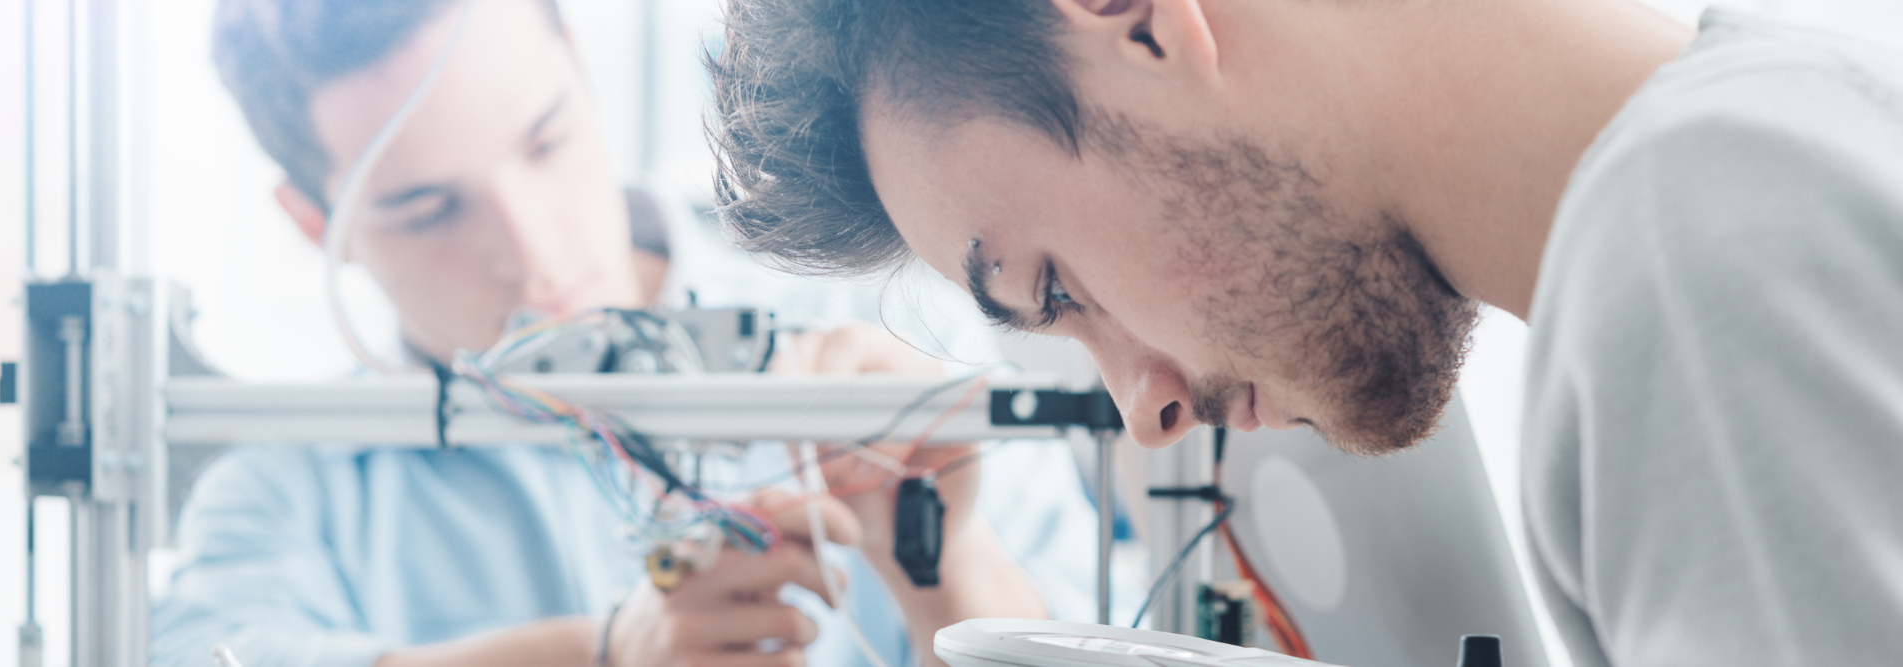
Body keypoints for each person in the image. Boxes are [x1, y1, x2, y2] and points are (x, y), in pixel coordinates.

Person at [706, 0, 1903, 665]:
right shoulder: (1768, 146)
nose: (1145, 409)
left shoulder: (1698, 242)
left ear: (1139, 22)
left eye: (1055, 287)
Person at [152, 1, 1140, 666]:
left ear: (580, 72)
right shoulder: (285, 484)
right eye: (426, 208)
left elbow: (1121, 638)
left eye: (545, 141)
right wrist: (608, 650)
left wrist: (945, 556)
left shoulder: (874, 331)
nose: (530, 251)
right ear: (315, 225)